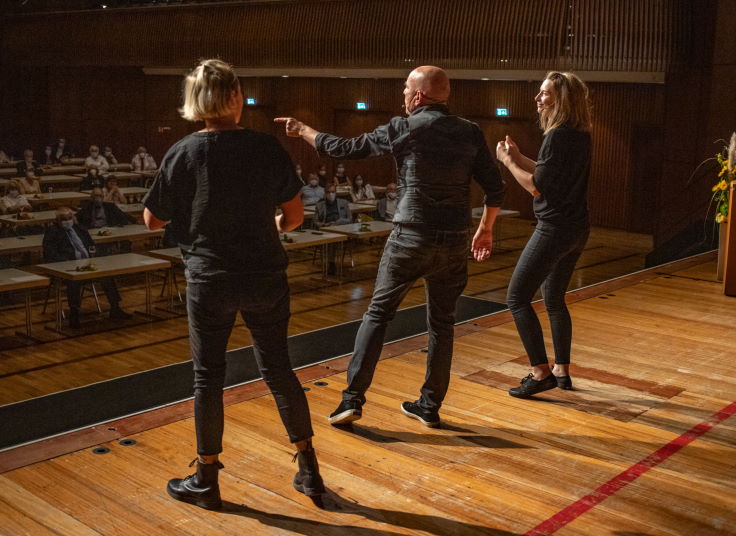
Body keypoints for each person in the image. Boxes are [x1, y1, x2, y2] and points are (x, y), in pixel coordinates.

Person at [276, 65, 505, 428]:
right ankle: (429, 406)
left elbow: (343, 148)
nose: (402, 95)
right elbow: (496, 188)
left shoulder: (403, 127)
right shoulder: (470, 132)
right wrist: (486, 230)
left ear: (418, 96)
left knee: (378, 315)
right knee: (442, 325)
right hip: (454, 240)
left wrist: (303, 129)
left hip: (410, 236)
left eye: (404, 90)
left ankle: (351, 399)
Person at [142, 58, 324, 509]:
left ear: (194, 102)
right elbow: (295, 217)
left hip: (210, 280)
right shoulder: (265, 148)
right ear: (236, 98)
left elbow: (151, 221)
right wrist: (269, 226)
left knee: (208, 379)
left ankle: (206, 478)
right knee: (279, 371)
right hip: (265, 275)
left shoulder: (182, 153)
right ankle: (309, 470)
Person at [495, 71, 592, 398]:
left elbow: (536, 187)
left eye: (544, 93)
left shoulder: (558, 136)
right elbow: (548, 172)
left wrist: (509, 163)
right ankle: (561, 370)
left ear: (561, 99)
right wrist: (520, 156)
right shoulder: (579, 134)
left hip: (555, 229)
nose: (537, 99)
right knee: (553, 299)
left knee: (517, 297)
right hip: (577, 228)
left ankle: (540, 372)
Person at [42, 207, 132, 328]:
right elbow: (50, 254)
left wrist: (94, 256)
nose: (67, 221)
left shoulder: (80, 229)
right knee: (74, 281)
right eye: (63, 219)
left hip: (87, 264)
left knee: (107, 275)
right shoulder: (53, 232)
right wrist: (69, 263)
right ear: (57, 220)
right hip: (68, 267)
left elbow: (91, 245)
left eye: (69, 218)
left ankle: (115, 308)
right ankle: (74, 314)